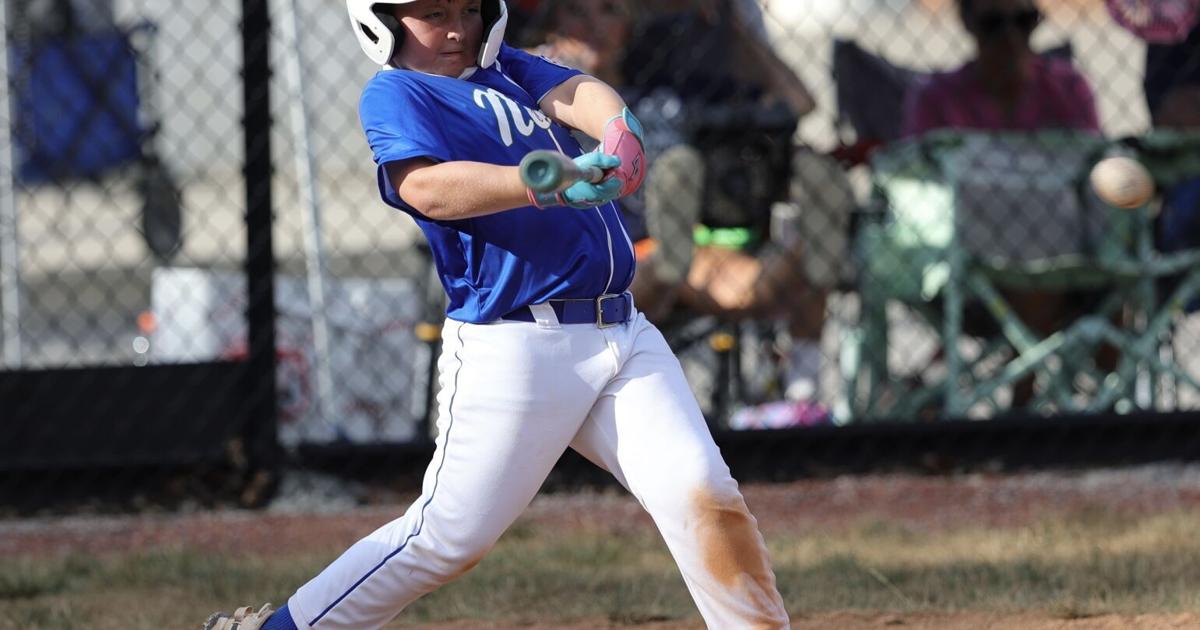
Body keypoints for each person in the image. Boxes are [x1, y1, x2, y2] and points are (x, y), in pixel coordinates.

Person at [202, 1, 791, 629]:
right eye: (432, 14)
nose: (457, 28)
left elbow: (576, 89)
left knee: (703, 495)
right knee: (446, 539)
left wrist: (620, 130)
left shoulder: (504, 67)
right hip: (515, 346)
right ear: (382, 23)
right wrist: (540, 182)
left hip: (623, 331)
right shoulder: (397, 93)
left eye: (468, 9)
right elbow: (425, 187)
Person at [534, 0, 852, 424]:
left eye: (608, 11)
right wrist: (546, 73)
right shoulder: (529, 98)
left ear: (627, 27)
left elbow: (798, 102)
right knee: (671, 263)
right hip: (575, 258)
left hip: (669, 247)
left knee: (774, 237)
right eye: (577, 12)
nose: (592, 26)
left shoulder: (663, 95)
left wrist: (732, 22)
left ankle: (801, 398)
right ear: (554, 24)